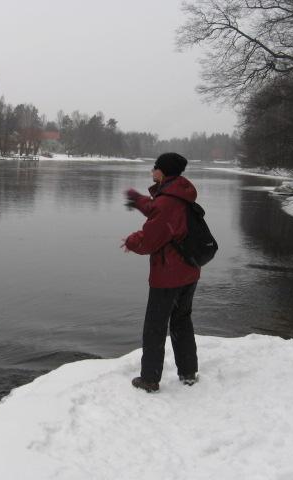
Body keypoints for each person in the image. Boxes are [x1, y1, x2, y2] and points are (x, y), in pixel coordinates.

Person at [122, 152, 200, 393]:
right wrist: (137, 200)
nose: (151, 171)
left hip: (168, 274)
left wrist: (130, 241)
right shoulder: (180, 194)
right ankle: (188, 372)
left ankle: (149, 379)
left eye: (155, 167)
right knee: (181, 321)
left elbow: (151, 239)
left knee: (155, 326)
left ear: (163, 171)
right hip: (189, 270)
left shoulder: (168, 201)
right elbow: (160, 211)